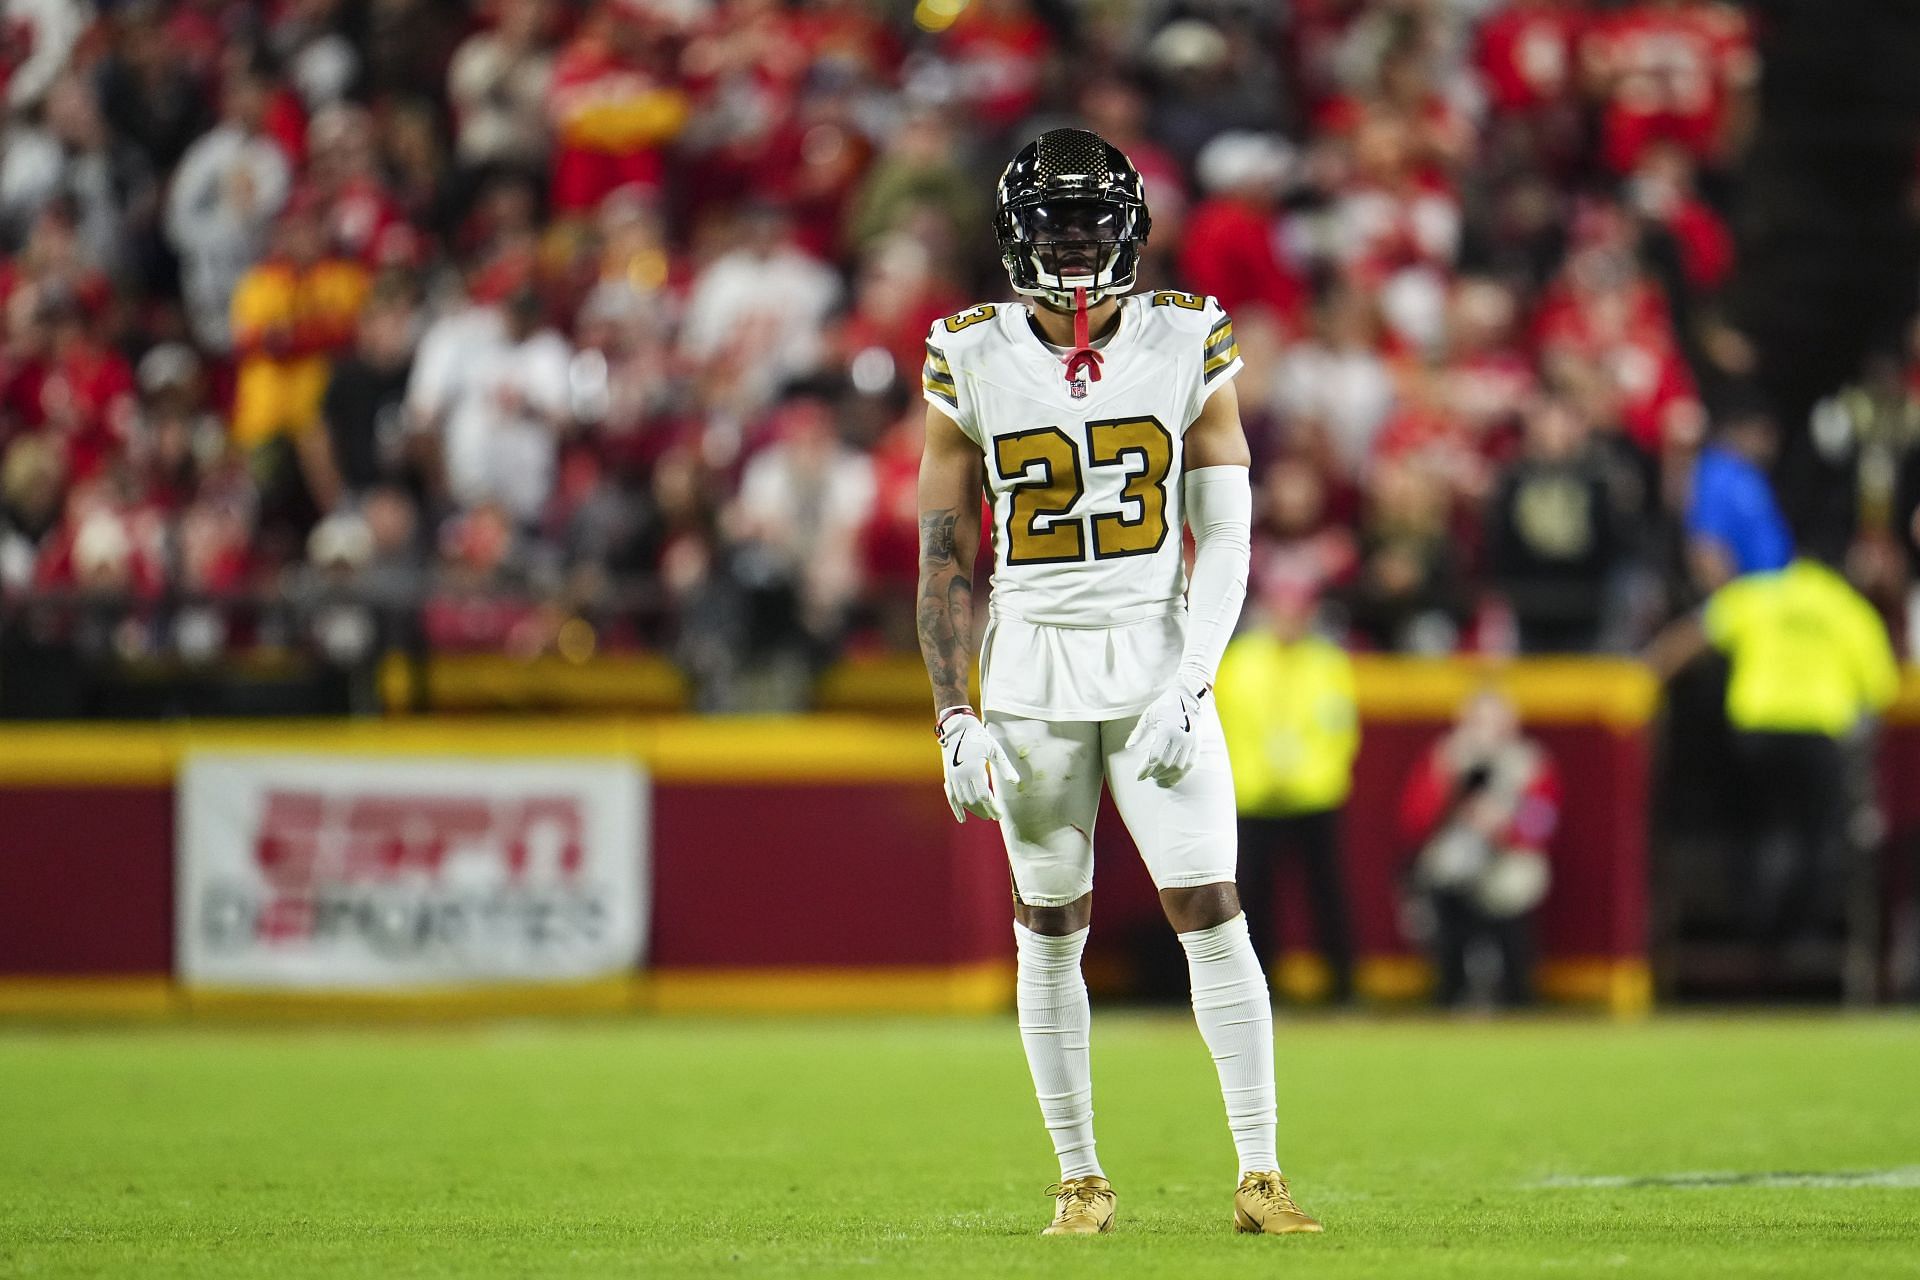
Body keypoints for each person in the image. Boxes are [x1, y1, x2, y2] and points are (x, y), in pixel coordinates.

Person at [914, 128, 1320, 1239]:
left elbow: (1225, 533)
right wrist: (954, 711)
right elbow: (946, 555)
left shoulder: (1189, 334)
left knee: (1211, 902)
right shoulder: (970, 351)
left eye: (1094, 222)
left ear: (1133, 226)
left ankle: (1260, 1170)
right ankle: (1079, 1178)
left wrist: (1194, 675)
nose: (1079, 244)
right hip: (1035, 669)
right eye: (1056, 225)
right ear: (1015, 236)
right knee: (1048, 923)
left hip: (1152, 658)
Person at [1649, 557, 1900, 946]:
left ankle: (1756, 933)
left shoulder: (1763, 592)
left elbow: (1694, 635)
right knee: (1818, 838)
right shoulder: (1846, 607)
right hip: (1819, 732)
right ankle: (1799, 937)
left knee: (1763, 831)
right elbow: (1883, 689)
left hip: (1758, 732)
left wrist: (1644, 674)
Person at [1214, 574, 1360, 1003]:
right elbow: (1227, 729)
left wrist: (1305, 776)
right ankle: (1258, 988)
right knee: (1253, 901)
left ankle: (1343, 988)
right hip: (1256, 798)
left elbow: (1340, 730)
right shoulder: (1238, 662)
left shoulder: (1327, 662)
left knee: (1327, 895)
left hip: (1313, 797)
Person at [1398, 690, 1561, 1007]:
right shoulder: (1447, 758)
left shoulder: (1529, 763)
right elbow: (1414, 820)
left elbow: (1543, 823)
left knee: (1514, 888)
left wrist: (1505, 827)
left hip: (1507, 863)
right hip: (1456, 865)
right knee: (1441, 881)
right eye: (1478, 721)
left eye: (1494, 722)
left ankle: (1516, 994)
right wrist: (1452, 796)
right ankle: (1450, 989)